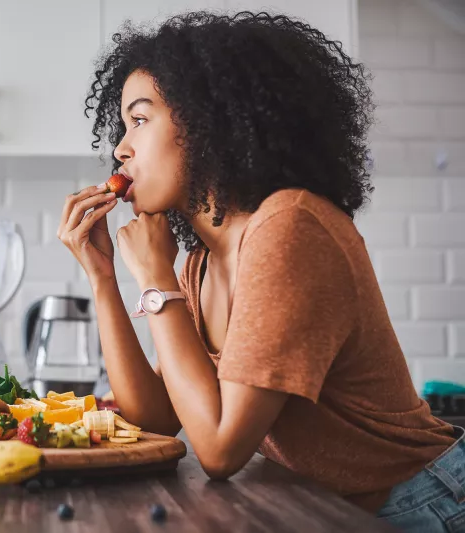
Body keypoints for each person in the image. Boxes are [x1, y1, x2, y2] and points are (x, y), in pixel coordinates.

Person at [57, 11, 464, 532]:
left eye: (140, 119)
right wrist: (103, 278)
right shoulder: (202, 262)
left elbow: (221, 449)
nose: (120, 147)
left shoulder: (288, 228)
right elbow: (155, 419)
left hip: (428, 506)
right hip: (329, 508)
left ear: (210, 121)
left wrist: (157, 279)